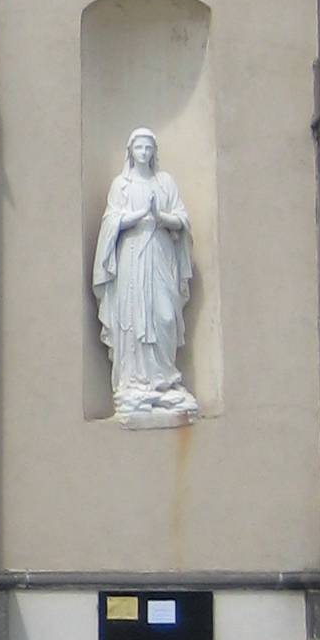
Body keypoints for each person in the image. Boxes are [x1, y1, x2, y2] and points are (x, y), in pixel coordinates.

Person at [92, 128, 198, 424]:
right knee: (134, 318)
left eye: (148, 148)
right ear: (131, 151)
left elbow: (182, 219)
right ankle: (135, 383)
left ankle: (164, 380)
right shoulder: (121, 185)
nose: (144, 153)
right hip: (132, 258)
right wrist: (136, 216)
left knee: (164, 315)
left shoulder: (165, 183)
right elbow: (110, 221)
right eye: (139, 147)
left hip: (160, 255)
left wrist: (161, 217)